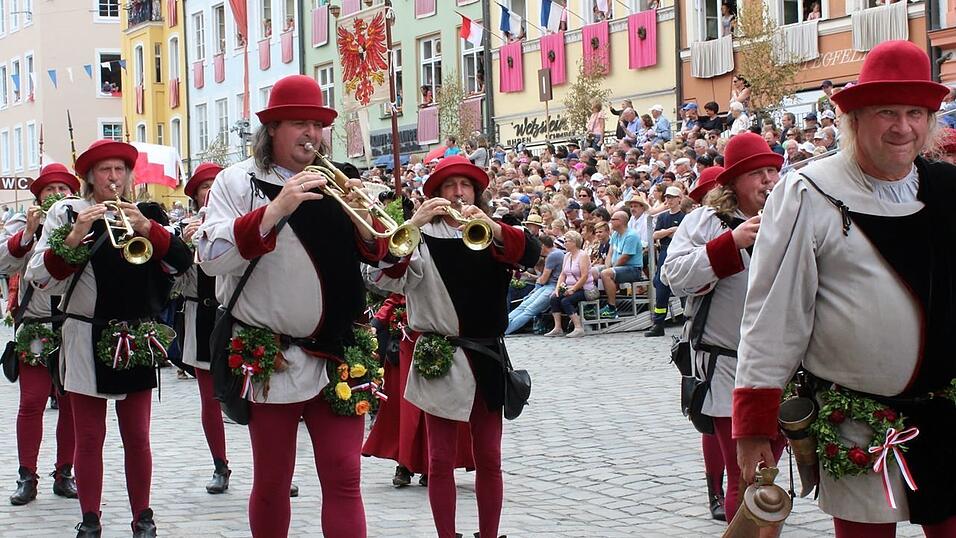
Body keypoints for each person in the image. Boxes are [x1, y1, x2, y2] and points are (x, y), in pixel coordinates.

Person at [734, 40, 956, 537]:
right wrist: (753, 425)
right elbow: (773, 313)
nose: (903, 127)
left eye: (915, 113)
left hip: (946, 417)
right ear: (855, 119)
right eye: (886, 112)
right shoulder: (810, 192)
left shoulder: (946, 187)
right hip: (856, 422)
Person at [197, 74, 389, 538]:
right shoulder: (236, 181)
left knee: (345, 475)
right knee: (273, 481)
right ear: (273, 130)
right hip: (272, 353)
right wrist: (274, 209)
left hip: (341, 351)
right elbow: (211, 259)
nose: (311, 134)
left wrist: (368, 217)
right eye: (300, 124)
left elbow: (382, 256)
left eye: (318, 125)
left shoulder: (342, 178)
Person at [366, 154, 540, 538]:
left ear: (477, 192)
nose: (458, 194)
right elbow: (384, 275)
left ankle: (489, 534)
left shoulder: (492, 230)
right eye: (450, 186)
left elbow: (530, 252)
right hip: (439, 355)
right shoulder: (421, 239)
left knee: (490, 458)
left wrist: (490, 225)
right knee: (439, 459)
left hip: (486, 355)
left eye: (465, 186)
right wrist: (413, 224)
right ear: (436, 194)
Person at [26, 140, 192, 537]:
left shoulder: (144, 213)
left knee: (137, 435)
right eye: (104, 171)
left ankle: (143, 516)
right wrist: (74, 237)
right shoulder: (67, 213)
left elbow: (182, 263)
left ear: (130, 176)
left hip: (136, 335)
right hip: (85, 332)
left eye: (120, 170)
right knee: (89, 436)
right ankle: (90, 518)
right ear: (89, 178)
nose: (113, 178)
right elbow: (40, 278)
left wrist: (148, 229)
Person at [662, 132, 787, 524]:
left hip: (783, 369)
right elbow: (673, 275)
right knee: (745, 477)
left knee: (768, 478)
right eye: (758, 173)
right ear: (734, 182)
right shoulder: (705, 221)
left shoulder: (791, 216)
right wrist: (729, 243)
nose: (768, 180)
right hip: (727, 368)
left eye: (772, 171)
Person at [0, 163, 80, 507]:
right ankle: (26, 475)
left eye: (63, 190)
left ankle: (64, 472)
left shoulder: (81, 220)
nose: (57, 195)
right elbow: (5, 261)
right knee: (32, 401)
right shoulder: (23, 222)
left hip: (72, 324)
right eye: (50, 190)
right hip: (35, 325)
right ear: (39, 196)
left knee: (71, 405)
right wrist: (28, 233)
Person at [176, 163, 237, 495]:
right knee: (210, 399)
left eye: (216, 184)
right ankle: (220, 464)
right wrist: (185, 248)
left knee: (255, 397)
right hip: (201, 316)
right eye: (204, 187)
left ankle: (274, 467)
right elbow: (176, 282)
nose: (211, 191)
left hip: (238, 314)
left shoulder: (240, 219)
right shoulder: (185, 229)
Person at [644, 185, 686, 337]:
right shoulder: (663, 217)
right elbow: (656, 235)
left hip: (679, 252)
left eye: (671, 197)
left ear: (679, 199)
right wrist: (670, 231)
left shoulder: (684, 217)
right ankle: (658, 323)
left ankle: (688, 321)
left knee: (682, 286)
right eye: (667, 197)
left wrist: (666, 233)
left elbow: (682, 235)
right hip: (665, 251)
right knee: (661, 286)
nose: (668, 200)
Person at [506, 235, 562, 334]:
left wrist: (537, 281)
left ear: (542, 245)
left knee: (529, 310)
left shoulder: (552, 255)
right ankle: (503, 327)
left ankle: (504, 330)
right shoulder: (556, 253)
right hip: (547, 286)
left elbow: (543, 279)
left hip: (552, 287)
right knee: (524, 306)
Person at [546, 230, 594, 338]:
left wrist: (574, 289)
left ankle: (578, 327)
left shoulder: (583, 255)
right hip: (569, 287)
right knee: (554, 298)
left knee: (566, 301)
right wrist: (558, 287)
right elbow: (563, 274)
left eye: (566, 241)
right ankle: (557, 327)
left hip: (584, 288)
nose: (564, 243)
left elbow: (584, 276)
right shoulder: (567, 255)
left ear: (574, 242)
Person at [598, 211, 644, 319]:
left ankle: (611, 308)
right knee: (593, 271)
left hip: (633, 269)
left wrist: (610, 269)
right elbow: (610, 253)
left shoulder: (631, 236)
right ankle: (594, 304)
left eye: (613, 219)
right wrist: (607, 266)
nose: (611, 221)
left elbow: (625, 258)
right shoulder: (615, 234)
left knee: (606, 274)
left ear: (621, 221)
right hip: (617, 267)